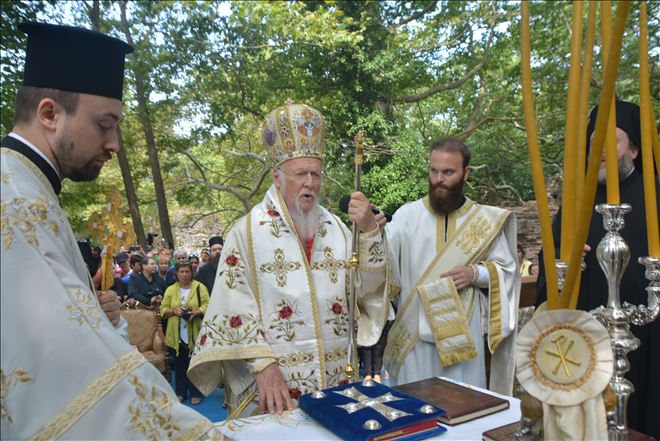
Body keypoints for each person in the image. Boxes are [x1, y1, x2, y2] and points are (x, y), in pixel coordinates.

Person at [0, 22, 220, 439]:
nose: (115, 143)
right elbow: (67, 370)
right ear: (49, 114)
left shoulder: (25, 188)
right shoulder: (17, 205)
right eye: (105, 124)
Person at [188, 103, 390, 417]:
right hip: (274, 391)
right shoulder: (247, 233)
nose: (310, 182)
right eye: (300, 174)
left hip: (338, 383)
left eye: (316, 174)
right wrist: (263, 365)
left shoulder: (338, 229)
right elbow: (232, 306)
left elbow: (370, 294)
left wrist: (368, 233)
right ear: (278, 177)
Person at [536, 101, 659, 438]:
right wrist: (562, 259)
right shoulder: (577, 200)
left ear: (634, 149)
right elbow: (550, 269)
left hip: (648, 345)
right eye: (593, 144)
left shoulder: (656, 197)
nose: (600, 152)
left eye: (610, 143)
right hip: (584, 347)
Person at [379, 137, 519, 395]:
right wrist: (371, 232)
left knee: (465, 406)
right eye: (434, 171)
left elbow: (508, 270)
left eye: (448, 172)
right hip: (415, 339)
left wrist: (475, 273)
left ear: (466, 173)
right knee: (415, 410)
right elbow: (386, 264)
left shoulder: (484, 220)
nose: (439, 179)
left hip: (465, 338)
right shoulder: (406, 216)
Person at [161, 260, 209, 405]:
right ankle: (180, 392)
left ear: (192, 273)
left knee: (194, 364)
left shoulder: (200, 287)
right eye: (181, 271)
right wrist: (173, 311)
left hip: (195, 331)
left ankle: (196, 392)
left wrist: (197, 312)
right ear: (176, 273)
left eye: (187, 271)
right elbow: (162, 310)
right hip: (176, 334)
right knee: (180, 365)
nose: (184, 274)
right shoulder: (170, 290)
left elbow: (208, 304)